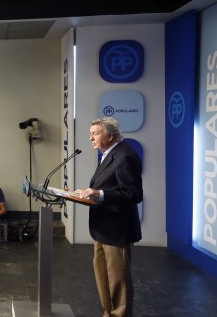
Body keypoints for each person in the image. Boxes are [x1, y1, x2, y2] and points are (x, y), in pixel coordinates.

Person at [75, 117, 143, 317]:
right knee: (103, 277)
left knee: (118, 280)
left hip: (117, 230)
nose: (90, 138)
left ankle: (119, 313)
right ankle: (109, 312)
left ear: (110, 136)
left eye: (95, 133)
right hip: (103, 228)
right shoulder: (109, 154)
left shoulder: (125, 155)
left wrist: (99, 194)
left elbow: (133, 194)